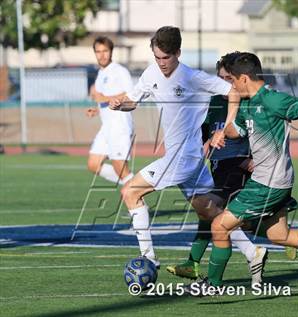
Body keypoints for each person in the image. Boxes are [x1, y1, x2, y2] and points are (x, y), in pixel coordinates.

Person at [186, 52, 298, 293]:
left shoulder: (273, 100)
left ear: (244, 78)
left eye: (233, 82)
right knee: (279, 235)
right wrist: (222, 132)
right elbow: (237, 131)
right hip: (272, 181)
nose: (231, 88)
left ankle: (213, 284)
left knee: (219, 225)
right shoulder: (246, 103)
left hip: (269, 182)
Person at [109, 28, 264, 282]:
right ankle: (253, 251)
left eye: (166, 58)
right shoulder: (151, 73)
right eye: (158, 57)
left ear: (178, 53)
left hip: (183, 158)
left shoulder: (192, 77)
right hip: (187, 159)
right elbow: (133, 101)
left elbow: (233, 93)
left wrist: (227, 126)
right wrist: (119, 104)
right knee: (208, 209)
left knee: (130, 192)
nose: (162, 63)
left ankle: (148, 258)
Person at [166, 52, 268, 282]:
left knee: (214, 213)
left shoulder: (246, 103)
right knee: (211, 213)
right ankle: (194, 263)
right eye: (220, 77)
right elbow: (203, 132)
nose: (223, 83)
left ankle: (250, 254)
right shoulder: (213, 102)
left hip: (239, 169)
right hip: (217, 167)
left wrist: (250, 160)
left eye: (227, 78)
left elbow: (259, 136)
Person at [86, 36, 134, 185]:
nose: (102, 55)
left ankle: (138, 199)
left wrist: (105, 98)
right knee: (93, 164)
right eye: (98, 51)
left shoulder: (120, 71)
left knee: (120, 168)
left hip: (120, 126)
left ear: (111, 51)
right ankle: (132, 187)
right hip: (106, 127)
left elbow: (131, 94)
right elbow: (103, 100)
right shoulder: (100, 74)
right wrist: (97, 110)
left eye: (105, 51)